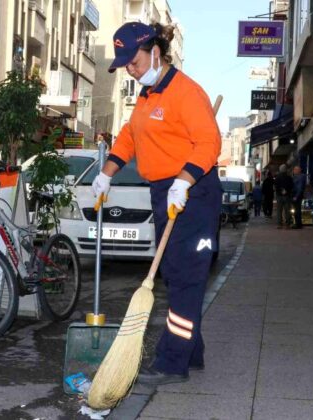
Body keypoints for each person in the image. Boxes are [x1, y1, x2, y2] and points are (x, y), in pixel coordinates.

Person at [91, 22, 222, 385]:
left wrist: (184, 181)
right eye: (125, 66)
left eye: (132, 62)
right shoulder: (147, 98)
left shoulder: (186, 93)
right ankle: (192, 353)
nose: (129, 71)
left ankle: (171, 360)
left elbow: (209, 143)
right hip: (164, 192)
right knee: (176, 273)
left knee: (185, 276)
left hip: (195, 193)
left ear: (155, 53)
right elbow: (129, 137)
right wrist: (107, 172)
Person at [273, 164, 293, 229]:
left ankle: (279, 224)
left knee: (279, 210)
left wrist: (280, 190)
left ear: (280, 170)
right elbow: (291, 186)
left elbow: (276, 186)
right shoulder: (289, 177)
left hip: (279, 196)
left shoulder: (277, 178)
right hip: (287, 196)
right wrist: (286, 190)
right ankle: (287, 224)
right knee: (287, 210)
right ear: (286, 170)